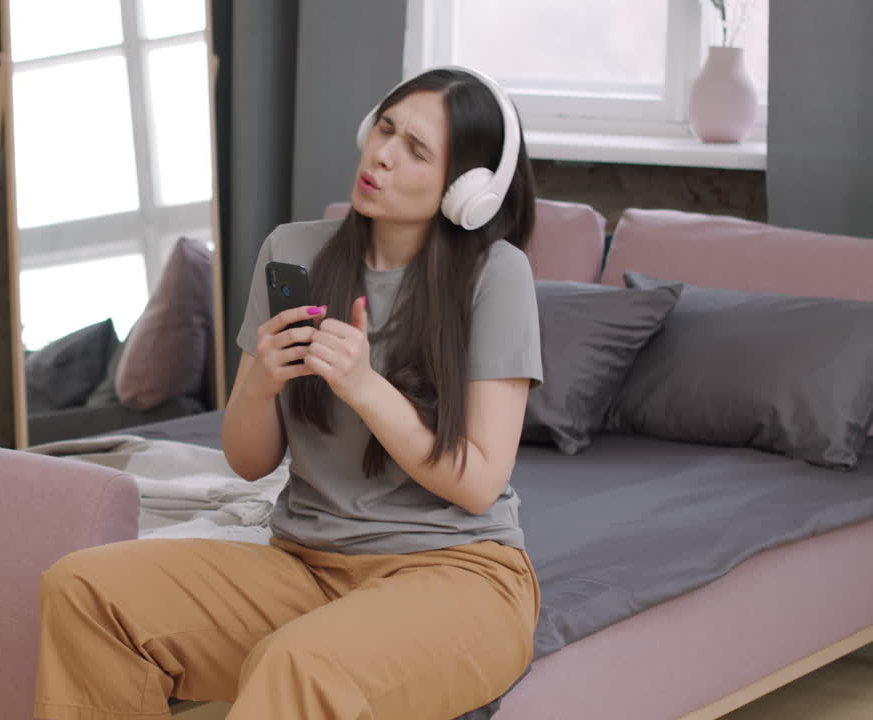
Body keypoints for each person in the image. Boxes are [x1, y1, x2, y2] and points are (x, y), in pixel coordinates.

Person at [34, 66, 543, 720]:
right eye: (385, 129)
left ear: (464, 189)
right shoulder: (295, 251)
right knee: (82, 589)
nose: (382, 153)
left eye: (415, 149)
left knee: (300, 662)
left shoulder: (495, 275)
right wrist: (262, 383)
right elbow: (249, 461)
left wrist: (364, 387)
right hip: (306, 566)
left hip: (459, 577)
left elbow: (477, 482)